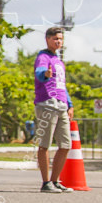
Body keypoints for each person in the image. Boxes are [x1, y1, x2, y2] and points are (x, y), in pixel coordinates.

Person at [33, 26, 74, 193]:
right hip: (47, 105)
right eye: (55, 38)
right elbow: (39, 72)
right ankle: (45, 182)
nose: (58, 41)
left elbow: (62, 86)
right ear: (47, 39)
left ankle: (55, 180)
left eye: (60, 39)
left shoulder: (59, 61)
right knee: (44, 145)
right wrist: (45, 74)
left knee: (65, 145)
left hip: (61, 105)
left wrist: (70, 104)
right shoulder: (43, 57)